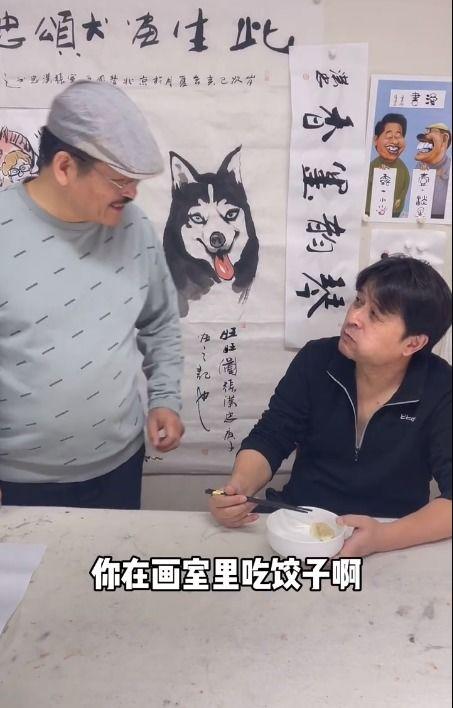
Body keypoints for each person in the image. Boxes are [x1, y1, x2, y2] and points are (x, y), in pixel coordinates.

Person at [0, 81, 184, 509]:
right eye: (120, 179)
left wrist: (164, 397)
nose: (132, 193)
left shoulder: (135, 228)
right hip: (17, 479)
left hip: (119, 466)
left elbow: (160, 321)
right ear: (64, 166)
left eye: (135, 181)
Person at [209, 256, 452, 557]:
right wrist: (239, 489)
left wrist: (382, 538)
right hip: (299, 526)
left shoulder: (441, 387)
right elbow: (270, 437)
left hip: (391, 540)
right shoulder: (317, 360)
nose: (354, 317)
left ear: (412, 344)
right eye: (359, 301)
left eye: (375, 314)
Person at [365, 113, 410, 218]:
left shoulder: (402, 168)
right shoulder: (372, 166)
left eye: (398, 136)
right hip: (370, 214)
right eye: (389, 136)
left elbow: (405, 185)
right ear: (376, 140)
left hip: (394, 214)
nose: (394, 141)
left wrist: (400, 199)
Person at [415, 122, 451, 219]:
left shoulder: (449, 165)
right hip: (422, 213)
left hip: (443, 216)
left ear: (444, 139)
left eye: (431, 131)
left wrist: (437, 174)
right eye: (427, 131)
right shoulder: (420, 165)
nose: (426, 134)